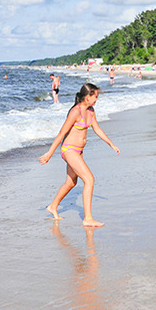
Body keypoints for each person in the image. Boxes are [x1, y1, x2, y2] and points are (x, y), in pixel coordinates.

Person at [40, 83, 120, 227]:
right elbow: (62, 133)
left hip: (79, 151)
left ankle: (53, 206)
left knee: (71, 182)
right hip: (69, 150)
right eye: (95, 97)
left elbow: (97, 129)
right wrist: (49, 153)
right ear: (88, 97)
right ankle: (88, 218)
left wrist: (111, 144)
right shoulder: (75, 112)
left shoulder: (91, 111)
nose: (97, 99)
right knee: (89, 179)